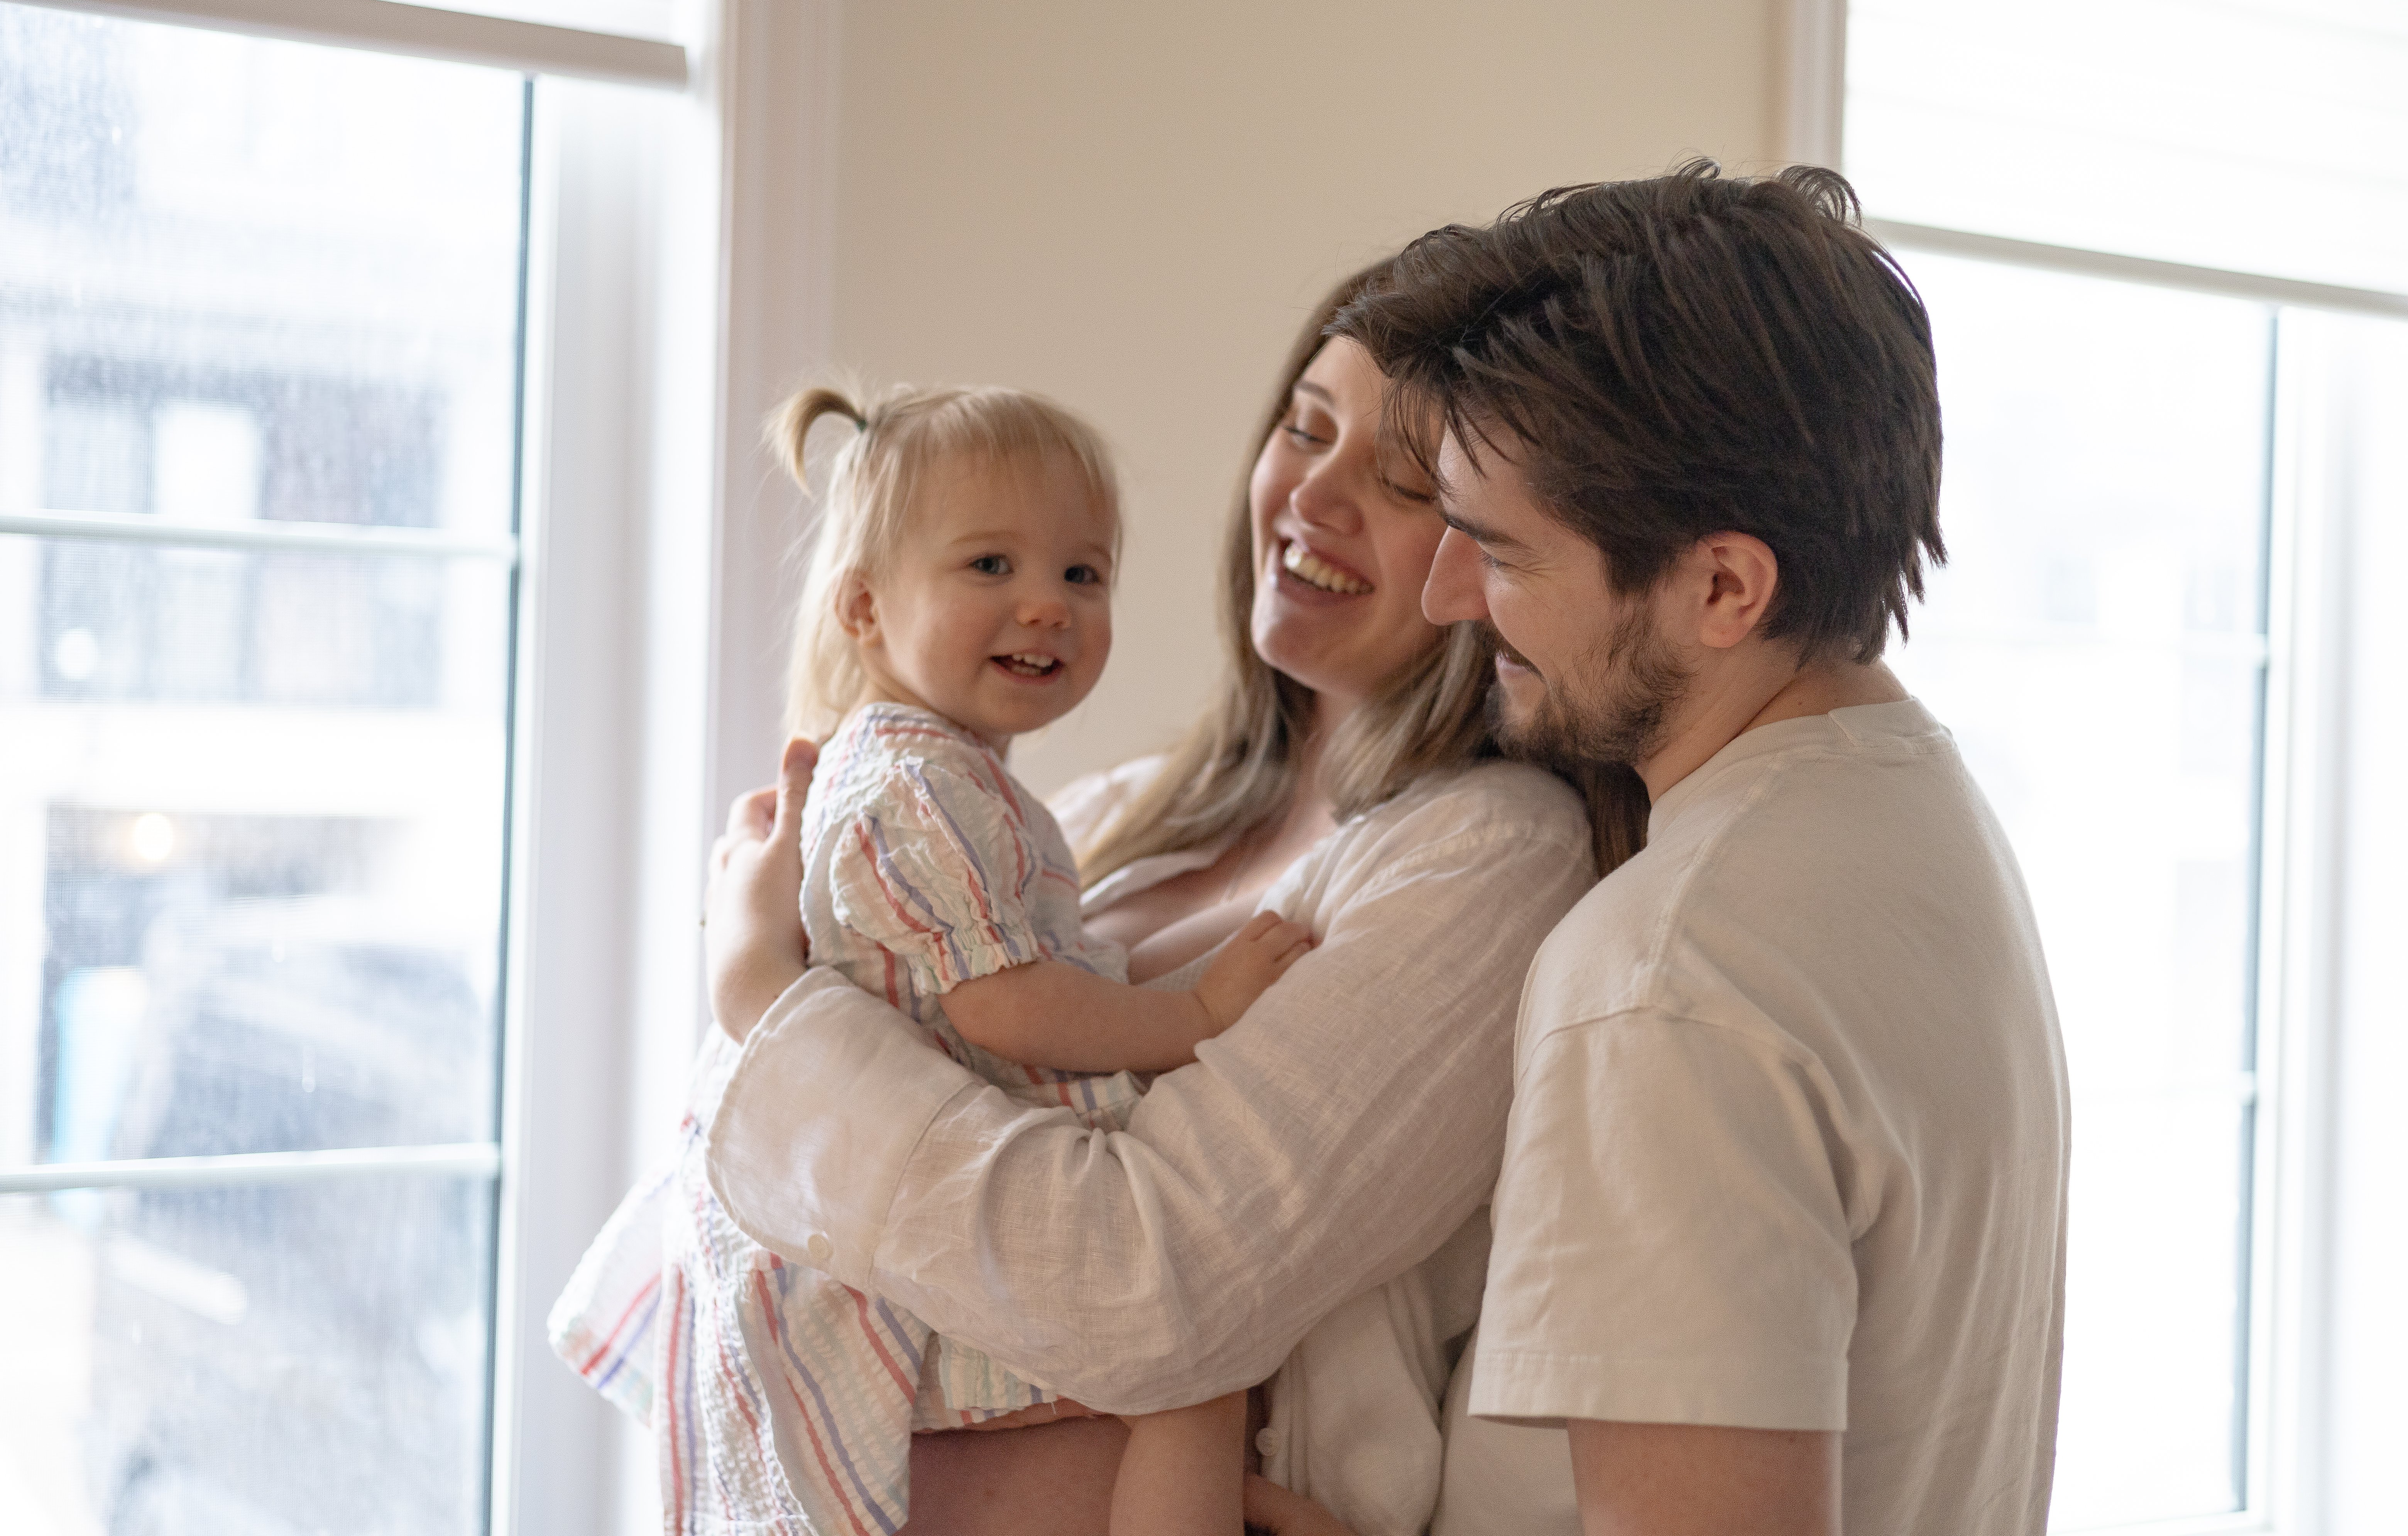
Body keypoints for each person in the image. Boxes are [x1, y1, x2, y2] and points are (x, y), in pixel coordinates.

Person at [695, 264, 1647, 1534]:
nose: (1312, 493)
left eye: (1405, 481)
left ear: (1489, 552)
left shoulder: (1485, 855)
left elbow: (1152, 1296)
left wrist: (762, 998)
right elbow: (745, 1157)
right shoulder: (1097, 815)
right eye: (1306, 427)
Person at [1315, 160, 2069, 1535]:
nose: (1443, 593)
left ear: (1722, 587)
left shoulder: (1666, 974)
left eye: (1499, 549)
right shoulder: (1926, 819)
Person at [551, 382, 1316, 1535]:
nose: (1047, 608)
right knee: (1193, 1362)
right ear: (865, 608)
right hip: (888, 1251)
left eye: (1082, 573)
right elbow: (1009, 1006)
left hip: (888, 1202)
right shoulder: (920, 785)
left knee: (1166, 1388)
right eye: (990, 568)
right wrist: (1198, 1011)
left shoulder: (948, 774)